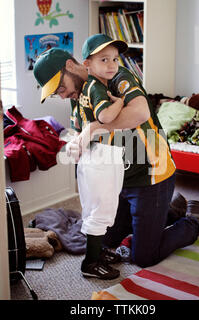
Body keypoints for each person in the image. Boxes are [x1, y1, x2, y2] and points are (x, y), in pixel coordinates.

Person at [33, 35, 199, 269]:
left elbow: (140, 113)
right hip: (118, 181)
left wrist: (95, 128)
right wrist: (75, 142)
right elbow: (85, 133)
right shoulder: (80, 94)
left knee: (144, 257)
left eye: (60, 87)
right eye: (55, 93)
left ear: (70, 66)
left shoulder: (117, 77)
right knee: (105, 241)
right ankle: (170, 209)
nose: (62, 95)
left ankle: (194, 222)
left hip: (149, 174)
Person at [71, 35, 129, 280]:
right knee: (103, 208)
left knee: (94, 206)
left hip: (91, 156)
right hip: (102, 154)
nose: (112, 65)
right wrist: (121, 103)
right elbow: (105, 117)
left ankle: (98, 250)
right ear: (87, 64)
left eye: (115, 59)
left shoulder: (85, 88)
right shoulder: (96, 87)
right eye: (103, 59)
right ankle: (90, 264)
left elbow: (76, 120)